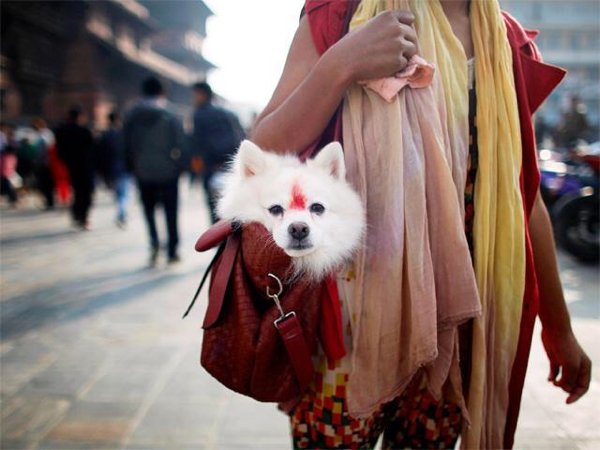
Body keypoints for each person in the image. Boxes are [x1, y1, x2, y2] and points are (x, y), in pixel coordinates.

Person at [250, 1, 591, 449]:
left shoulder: (504, 42)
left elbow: (521, 194)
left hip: (459, 317)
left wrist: (560, 326)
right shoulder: (346, 12)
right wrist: (343, 62)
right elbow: (263, 151)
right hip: (350, 319)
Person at [123, 76, 186, 266]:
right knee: (171, 210)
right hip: (168, 169)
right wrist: (181, 166)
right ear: (162, 91)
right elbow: (181, 143)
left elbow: (125, 144)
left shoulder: (132, 114)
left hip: (142, 170)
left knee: (149, 210)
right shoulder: (172, 113)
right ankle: (173, 249)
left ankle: (154, 242)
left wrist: (131, 166)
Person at [192, 81, 245, 223]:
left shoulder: (199, 115)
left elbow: (197, 145)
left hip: (211, 168)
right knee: (235, 209)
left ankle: (220, 243)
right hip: (233, 166)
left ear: (202, 94)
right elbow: (242, 138)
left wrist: (197, 170)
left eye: (195, 95)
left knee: (215, 210)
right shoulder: (229, 113)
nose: (194, 99)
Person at [55, 106, 95, 230]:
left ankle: (77, 214)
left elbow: (59, 151)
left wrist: (66, 161)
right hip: (85, 166)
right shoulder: (84, 131)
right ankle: (83, 216)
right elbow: (93, 150)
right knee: (86, 192)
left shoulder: (61, 131)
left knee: (77, 190)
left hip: (71, 166)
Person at [97, 111, 129, 228]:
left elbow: (100, 155)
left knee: (118, 193)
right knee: (123, 194)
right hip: (124, 168)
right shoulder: (124, 134)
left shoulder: (105, 135)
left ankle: (121, 212)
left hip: (111, 169)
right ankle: (121, 213)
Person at [31, 118, 56, 210]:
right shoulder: (38, 134)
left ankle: (50, 202)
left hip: (46, 163)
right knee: (43, 183)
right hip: (41, 162)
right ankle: (48, 201)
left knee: (47, 183)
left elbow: (48, 149)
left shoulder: (46, 134)